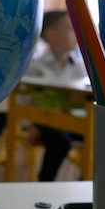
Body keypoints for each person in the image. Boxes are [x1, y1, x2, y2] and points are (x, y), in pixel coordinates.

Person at [24, 10, 88, 181]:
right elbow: (23, 100)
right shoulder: (34, 67)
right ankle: (44, 183)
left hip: (72, 121)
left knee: (100, 136)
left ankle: (85, 183)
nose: (77, 33)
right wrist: (29, 124)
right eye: (71, 29)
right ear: (52, 34)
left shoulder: (79, 68)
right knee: (61, 141)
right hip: (43, 121)